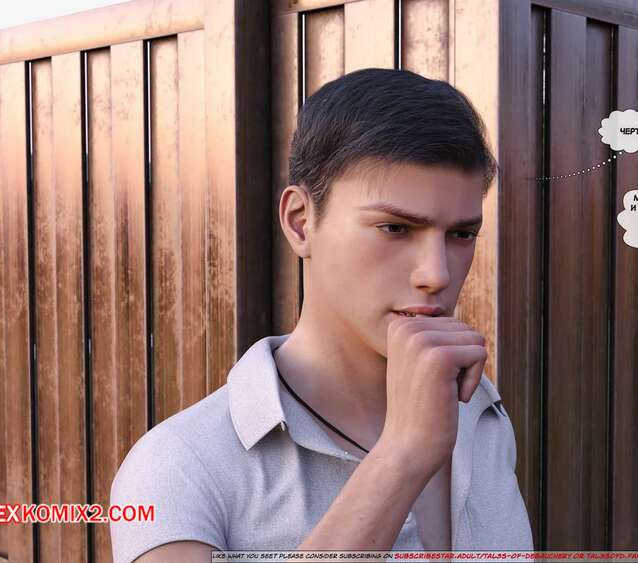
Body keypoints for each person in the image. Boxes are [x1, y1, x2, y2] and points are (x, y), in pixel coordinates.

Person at [109, 68, 533, 562]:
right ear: (300, 222)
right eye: (395, 228)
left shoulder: (479, 411)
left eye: (461, 234)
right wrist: (401, 457)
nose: (436, 274)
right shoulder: (180, 464)